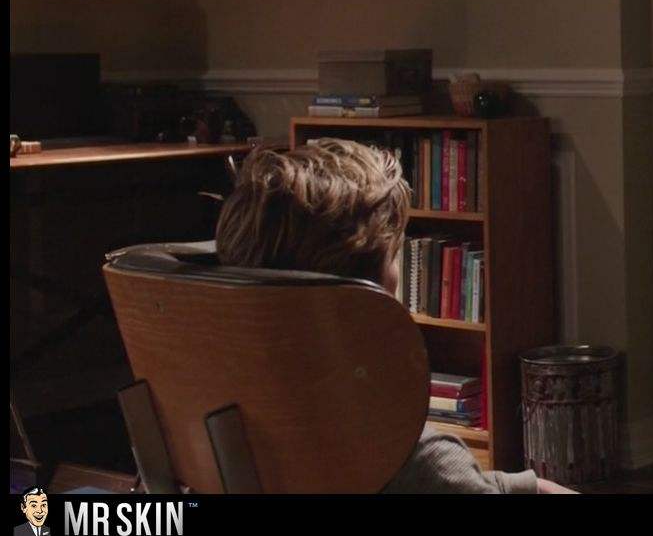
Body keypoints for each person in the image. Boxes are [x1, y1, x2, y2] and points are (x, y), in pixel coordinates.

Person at [214, 138, 575, 494]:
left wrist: (525, 486)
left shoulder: (226, 418)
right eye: (394, 256)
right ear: (363, 299)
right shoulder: (400, 452)